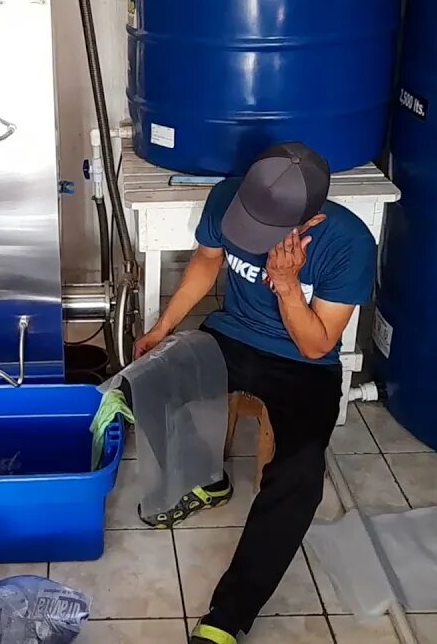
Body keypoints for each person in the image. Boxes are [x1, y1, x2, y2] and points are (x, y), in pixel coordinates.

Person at [133, 143, 376, 644]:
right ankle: (208, 479)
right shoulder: (228, 197)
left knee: (301, 476)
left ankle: (229, 615)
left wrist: (286, 285)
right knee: (145, 385)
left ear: (309, 221)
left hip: (302, 364)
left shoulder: (348, 243)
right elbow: (205, 262)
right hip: (232, 333)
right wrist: (162, 329)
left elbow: (314, 346)